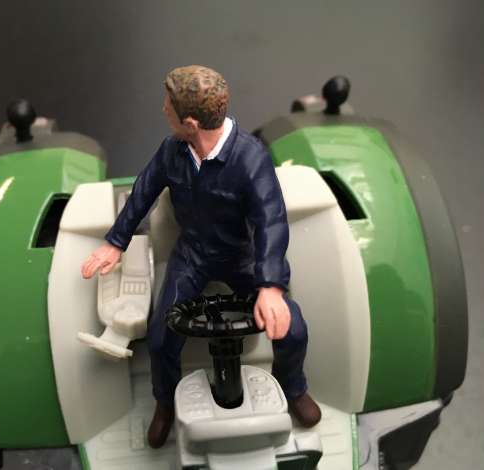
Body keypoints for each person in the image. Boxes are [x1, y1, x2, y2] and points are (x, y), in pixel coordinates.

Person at [81, 65, 321, 448]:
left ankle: (293, 387)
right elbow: (143, 192)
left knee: (293, 331)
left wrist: (270, 286)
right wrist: (115, 242)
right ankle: (165, 402)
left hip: (242, 258)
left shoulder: (250, 159)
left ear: (190, 122)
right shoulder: (172, 152)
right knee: (161, 338)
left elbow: (271, 221)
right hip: (192, 255)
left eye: (169, 105)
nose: (163, 109)